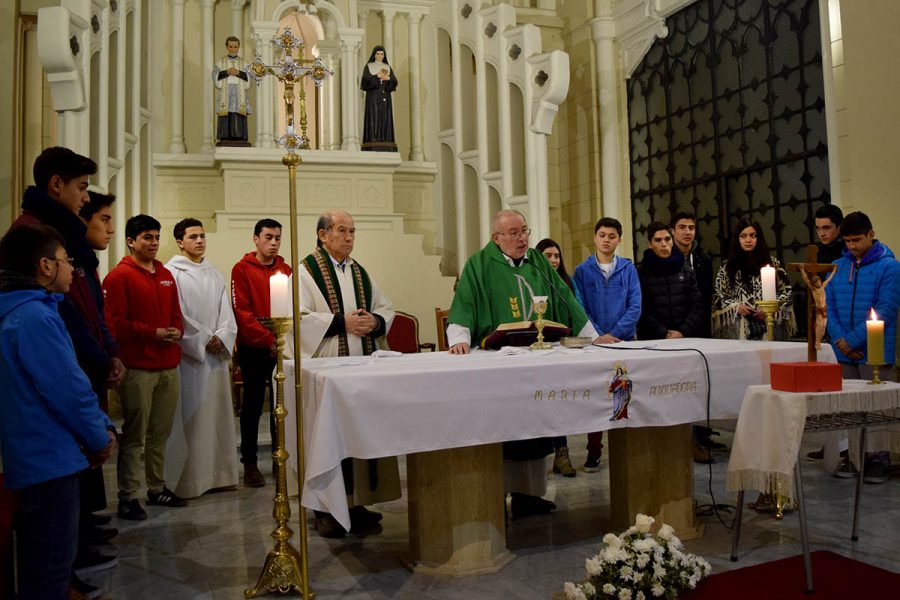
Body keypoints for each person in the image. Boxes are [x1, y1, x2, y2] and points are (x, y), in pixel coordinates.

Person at [11, 150, 122, 584]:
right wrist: (98, 433)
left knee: (57, 532)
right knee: (49, 554)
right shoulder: (37, 241)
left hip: (64, 402)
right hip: (45, 444)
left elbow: (89, 306)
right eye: (80, 188)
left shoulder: (52, 246)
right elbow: (62, 377)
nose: (85, 199)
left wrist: (103, 350)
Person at [447, 210, 598, 519]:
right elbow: (463, 302)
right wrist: (459, 338)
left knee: (536, 426)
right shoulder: (478, 264)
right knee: (505, 429)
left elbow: (565, 296)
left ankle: (529, 495)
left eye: (525, 231)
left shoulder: (537, 262)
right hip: (498, 364)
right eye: (514, 233)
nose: (522, 238)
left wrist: (591, 336)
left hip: (536, 358)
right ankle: (496, 495)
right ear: (496, 238)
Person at [0, 224, 116, 600]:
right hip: (48, 460)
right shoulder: (35, 317)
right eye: (67, 263)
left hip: (28, 457)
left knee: (39, 567)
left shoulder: (14, 312)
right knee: (50, 570)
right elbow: (68, 389)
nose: (72, 271)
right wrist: (100, 437)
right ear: (45, 267)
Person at [299, 211, 400, 537]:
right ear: (323, 234)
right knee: (327, 437)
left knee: (357, 434)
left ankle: (356, 502)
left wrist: (374, 321)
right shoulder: (304, 272)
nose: (349, 237)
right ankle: (324, 509)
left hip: (360, 370)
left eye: (353, 231)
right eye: (342, 230)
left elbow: (385, 307)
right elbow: (296, 319)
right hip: (327, 371)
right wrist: (342, 322)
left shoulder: (359, 272)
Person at [104, 214, 186, 520]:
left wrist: (176, 330)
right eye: (147, 238)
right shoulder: (118, 277)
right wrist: (152, 333)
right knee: (136, 435)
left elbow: (176, 313)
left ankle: (156, 487)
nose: (153, 243)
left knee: (160, 433)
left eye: (156, 237)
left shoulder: (165, 274)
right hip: (138, 367)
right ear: (130, 241)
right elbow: (117, 324)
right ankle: (128, 495)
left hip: (168, 364)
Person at [165, 219, 239, 498]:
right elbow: (177, 313)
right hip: (191, 359)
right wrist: (204, 338)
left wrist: (223, 335)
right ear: (180, 242)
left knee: (217, 416)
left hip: (216, 358)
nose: (199, 241)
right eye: (193, 236)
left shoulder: (214, 273)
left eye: (202, 236)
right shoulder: (172, 273)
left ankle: (220, 475)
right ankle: (191, 480)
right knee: (192, 419)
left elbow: (226, 311)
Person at [825, 211, 900, 483]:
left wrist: (853, 340)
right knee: (850, 407)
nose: (851, 246)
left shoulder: (890, 267)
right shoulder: (838, 266)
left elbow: (886, 308)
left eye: (857, 240)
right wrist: (840, 341)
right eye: (847, 241)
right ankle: (854, 456)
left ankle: (878, 458)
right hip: (844, 349)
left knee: (878, 406)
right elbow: (828, 308)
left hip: (875, 348)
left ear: (871, 234)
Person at [571, 218, 642, 472]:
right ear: (594, 238)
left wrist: (616, 333)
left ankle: (625, 452)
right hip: (595, 344)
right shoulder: (581, 271)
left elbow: (635, 306)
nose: (606, 240)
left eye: (612, 236)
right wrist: (598, 335)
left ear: (619, 240)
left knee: (623, 397)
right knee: (595, 398)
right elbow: (579, 308)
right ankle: (594, 450)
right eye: (602, 235)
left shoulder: (628, 269)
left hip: (623, 342)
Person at [231, 219, 291, 488]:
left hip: (280, 347)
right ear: (255, 239)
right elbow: (241, 312)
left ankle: (280, 461)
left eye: (278, 237)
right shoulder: (241, 269)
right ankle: (250, 463)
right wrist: (269, 339)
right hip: (254, 347)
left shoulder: (286, 270)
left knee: (280, 406)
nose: (274, 242)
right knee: (253, 406)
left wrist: (281, 341)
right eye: (268, 237)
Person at [669, 211, 724, 458]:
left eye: (691, 227)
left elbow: (704, 298)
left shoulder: (702, 260)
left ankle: (701, 435)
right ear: (673, 231)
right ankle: (683, 439)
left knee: (701, 384)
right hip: (673, 332)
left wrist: (692, 327)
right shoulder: (666, 258)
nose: (687, 232)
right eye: (682, 227)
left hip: (698, 330)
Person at [535, 238, 579, 478]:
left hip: (561, 349)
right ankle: (542, 459)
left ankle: (562, 453)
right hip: (537, 352)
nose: (553, 260)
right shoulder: (532, 281)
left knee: (557, 402)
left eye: (556, 256)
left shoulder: (566, 283)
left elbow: (577, 311)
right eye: (548, 255)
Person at [712, 219, 795, 341]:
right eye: (743, 236)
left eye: (752, 236)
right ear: (737, 239)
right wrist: (736, 307)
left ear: (759, 238)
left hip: (768, 322)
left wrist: (769, 308)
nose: (748, 240)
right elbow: (719, 295)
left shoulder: (772, 264)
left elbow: (786, 291)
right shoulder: (727, 267)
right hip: (739, 325)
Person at [636, 222, 704, 341]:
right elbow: (639, 309)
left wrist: (682, 331)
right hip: (653, 339)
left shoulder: (686, 271)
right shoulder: (640, 272)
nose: (664, 244)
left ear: (672, 241)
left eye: (667, 239)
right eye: (658, 240)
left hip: (686, 338)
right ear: (649, 244)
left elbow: (697, 306)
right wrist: (664, 333)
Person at [214, 36, 252, 144]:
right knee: (227, 113)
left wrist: (238, 73)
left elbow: (249, 78)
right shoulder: (220, 62)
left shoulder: (244, 63)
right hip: (226, 92)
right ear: (227, 47)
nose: (233, 49)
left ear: (238, 47)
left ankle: (239, 136)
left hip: (239, 92)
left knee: (237, 113)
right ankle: (225, 136)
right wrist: (226, 72)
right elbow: (215, 76)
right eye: (230, 47)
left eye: (235, 47)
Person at [360, 45, 398, 152]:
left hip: (385, 96)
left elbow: (394, 82)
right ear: (374, 55)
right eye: (377, 54)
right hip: (373, 97)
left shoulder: (387, 66)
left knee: (385, 117)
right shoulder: (369, 66)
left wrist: (388, 78)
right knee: (374, 117)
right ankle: (373, 138)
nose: (380, 56)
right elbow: (365, 81)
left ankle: (385, 139)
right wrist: (376, 76)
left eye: (382, 54)